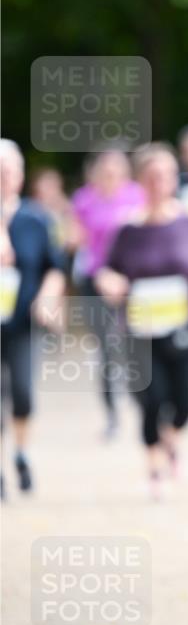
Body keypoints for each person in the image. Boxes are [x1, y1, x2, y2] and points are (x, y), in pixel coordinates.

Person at [96, 143, 188, 499]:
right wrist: (110, 282)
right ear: (140, 180)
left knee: (183, 405)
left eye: (166, 175)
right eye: (152, 176)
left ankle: (173, 439)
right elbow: (105, 270)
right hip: (139, 330)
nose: (159, 182)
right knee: (151, 400)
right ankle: (154, 469)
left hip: (183, 327)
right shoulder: (127, 229)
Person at [0, 139, 66, 496]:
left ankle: (22, 454)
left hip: (22, 321)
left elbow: (54, 267)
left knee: (23, 394)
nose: (5, 178)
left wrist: (46, 296)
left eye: (11, 171)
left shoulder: (36, 219)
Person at [71, 149, 146, 437]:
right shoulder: (84, 199)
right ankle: (112, 414)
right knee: (105, 347)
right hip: (95, 277)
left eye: (117, 169)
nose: (111, 174)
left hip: (131, 279)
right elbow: (76, 239)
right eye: (107, 169)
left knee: (132, 342)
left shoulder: (136, 195)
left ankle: (141, 402)